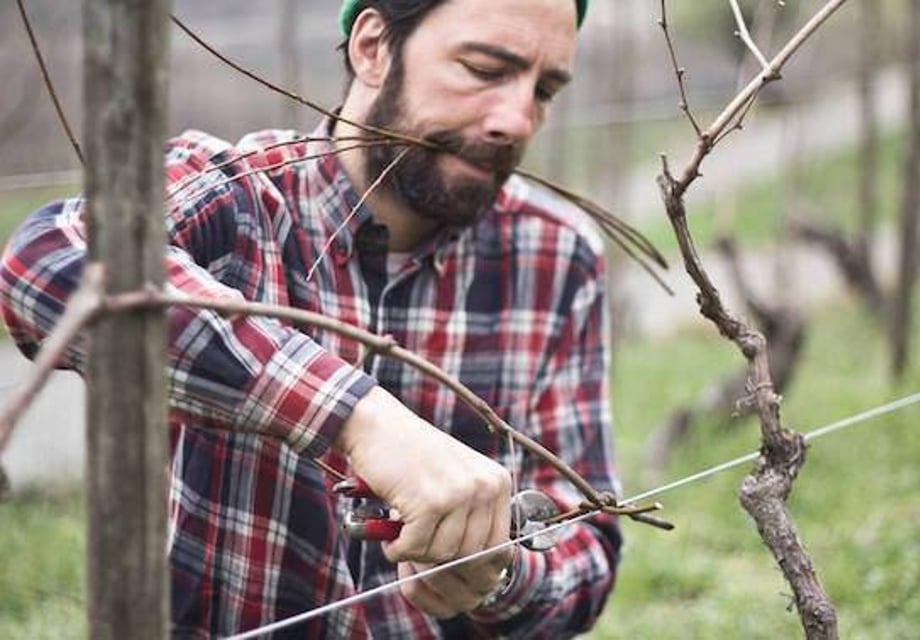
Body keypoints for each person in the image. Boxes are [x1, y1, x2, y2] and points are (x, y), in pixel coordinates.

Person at [0, 0, 622, 636]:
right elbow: (48, 262)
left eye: (544, 91)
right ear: (373, 47)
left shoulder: (556, 256)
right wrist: (359, 419)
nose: (517, 120)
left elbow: (589, 544)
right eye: (485, 70)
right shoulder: (240, 200)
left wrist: (502, 576)